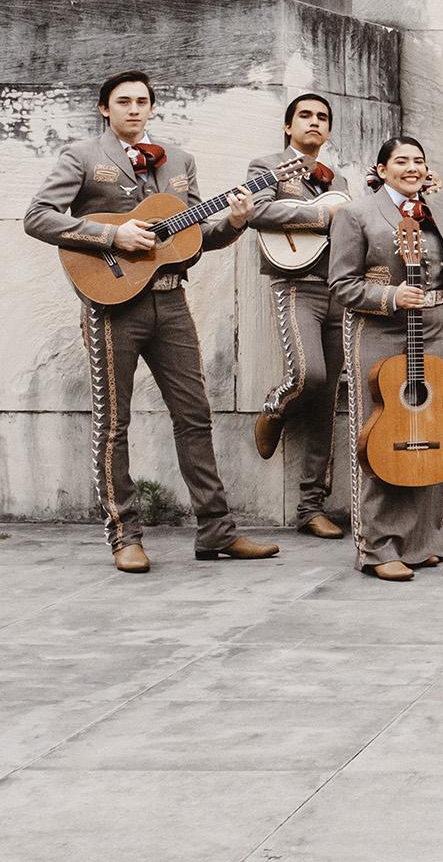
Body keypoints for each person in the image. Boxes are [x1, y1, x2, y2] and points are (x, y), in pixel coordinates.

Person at [23, 70, 277, 573]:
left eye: (143, 101)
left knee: (194, 416)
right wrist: (111, 237)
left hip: (171, 301)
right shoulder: (82, 156)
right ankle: (124, 535)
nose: (134, 109)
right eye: (123, 102)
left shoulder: (180, 161)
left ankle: (216, 532)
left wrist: (236, 221)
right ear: (105, 109)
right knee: (114, 422)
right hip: (111, 304)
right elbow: (38, 217)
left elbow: (193, 237)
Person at [329, 136, 443, 580]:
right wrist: (391, 296)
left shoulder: (437, 213)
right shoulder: (356, 214)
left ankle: (424, 540)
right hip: (380, 330)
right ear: (382, 168)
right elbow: (341, 286)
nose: (411, 168)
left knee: (432, 428)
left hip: (434, 330)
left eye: (418, 161)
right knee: (380, 433)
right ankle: (377, 546)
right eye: (401, 161)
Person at [247, 92, 350, 539]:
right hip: (295, 286)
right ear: (288, 126)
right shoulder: (265, 166)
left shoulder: (339, 176)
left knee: (328, 400)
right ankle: (275, 407)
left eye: (322, 117)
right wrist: (319, 213)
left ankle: (312, 506)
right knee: (308, 375)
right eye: (305, 116)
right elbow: (258, 211)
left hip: (338, 290)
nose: (314, 122)